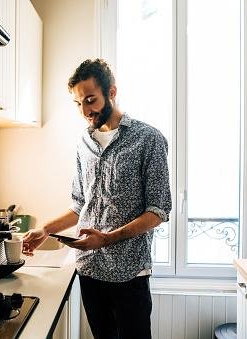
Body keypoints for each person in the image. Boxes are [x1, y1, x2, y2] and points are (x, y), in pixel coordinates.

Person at [22, 58, 171, 339]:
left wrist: (107, 238)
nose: (85, 110)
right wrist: (45, 230)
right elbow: (80, 204)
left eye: (91, 100)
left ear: (111, 92)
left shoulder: (148, 139)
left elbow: (158, 211)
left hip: (130, 273)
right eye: (79, 104)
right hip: (90, 269)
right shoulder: (84, 143)